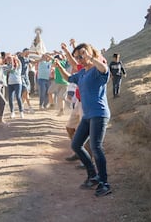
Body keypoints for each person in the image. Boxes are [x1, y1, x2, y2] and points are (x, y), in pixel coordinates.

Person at [54, 43, 112, 197]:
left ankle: (104, 183)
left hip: (99, 114)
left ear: (91, 52)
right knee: (76, 144)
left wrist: (91, 57)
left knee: (96, 147)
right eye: (78, 56)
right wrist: (59, 66)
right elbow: (69, 78)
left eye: (82, 55)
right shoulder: (82, 73)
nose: (80, 58)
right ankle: (93, 175)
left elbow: (105, 70)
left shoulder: (97, 69)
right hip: (87, 115)